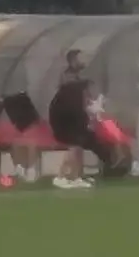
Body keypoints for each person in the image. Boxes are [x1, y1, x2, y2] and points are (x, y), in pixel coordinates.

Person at [47, 51, 97, 190]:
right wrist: (85, 84)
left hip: (76, 114)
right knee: (74, 145)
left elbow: (84, 96)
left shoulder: (78, 78)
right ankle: (60, 176)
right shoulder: (67, 76)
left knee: (79, 146)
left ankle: (75, 177)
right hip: (65, 116)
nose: (83, 61)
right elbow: (71, 89)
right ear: (73, 60)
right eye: (80, 58)